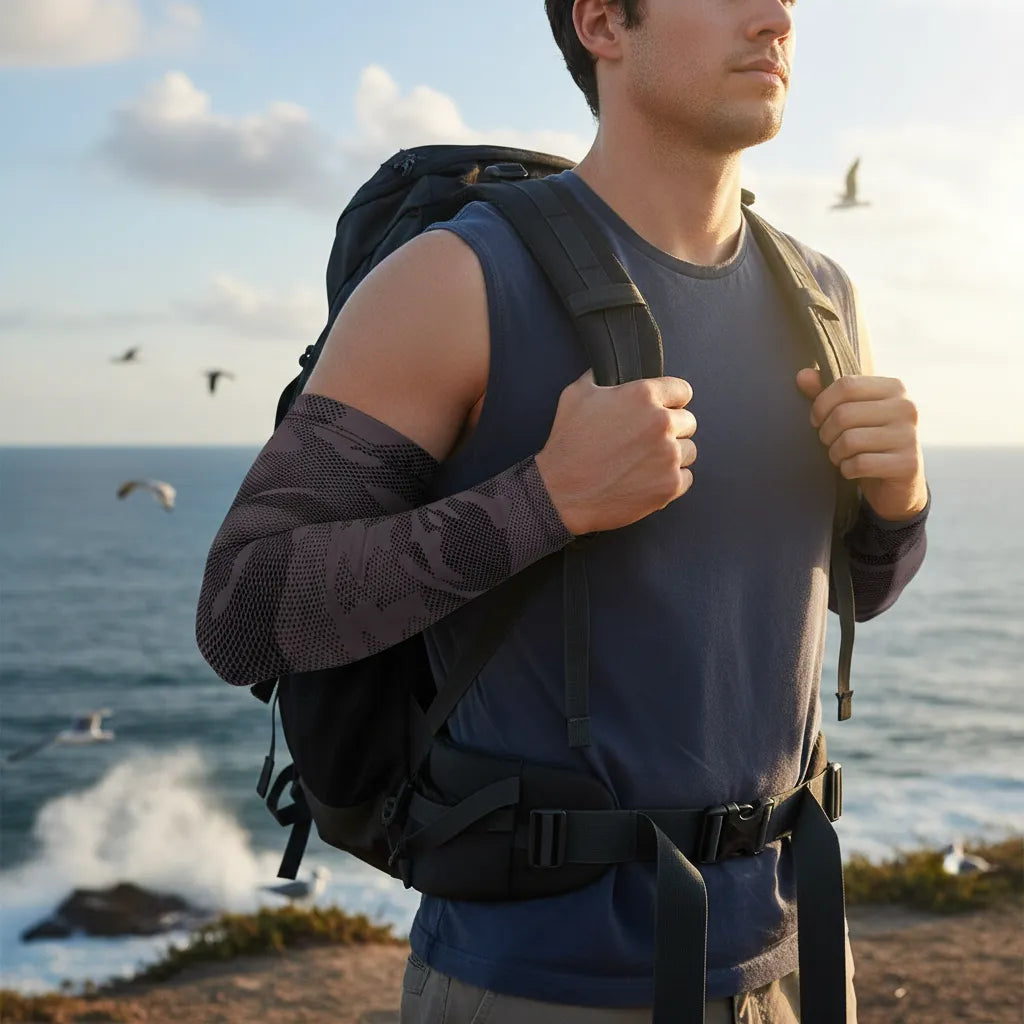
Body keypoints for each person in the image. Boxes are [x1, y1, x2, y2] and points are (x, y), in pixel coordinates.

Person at [195, 0, 931, 1020]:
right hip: (538, 982)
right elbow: (245, 608)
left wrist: (900, 502)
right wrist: (540, 502)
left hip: (798, 954)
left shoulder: (821, 294)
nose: (773, 17)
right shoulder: (455, 280)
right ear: (601, 23)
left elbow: (844, 590)